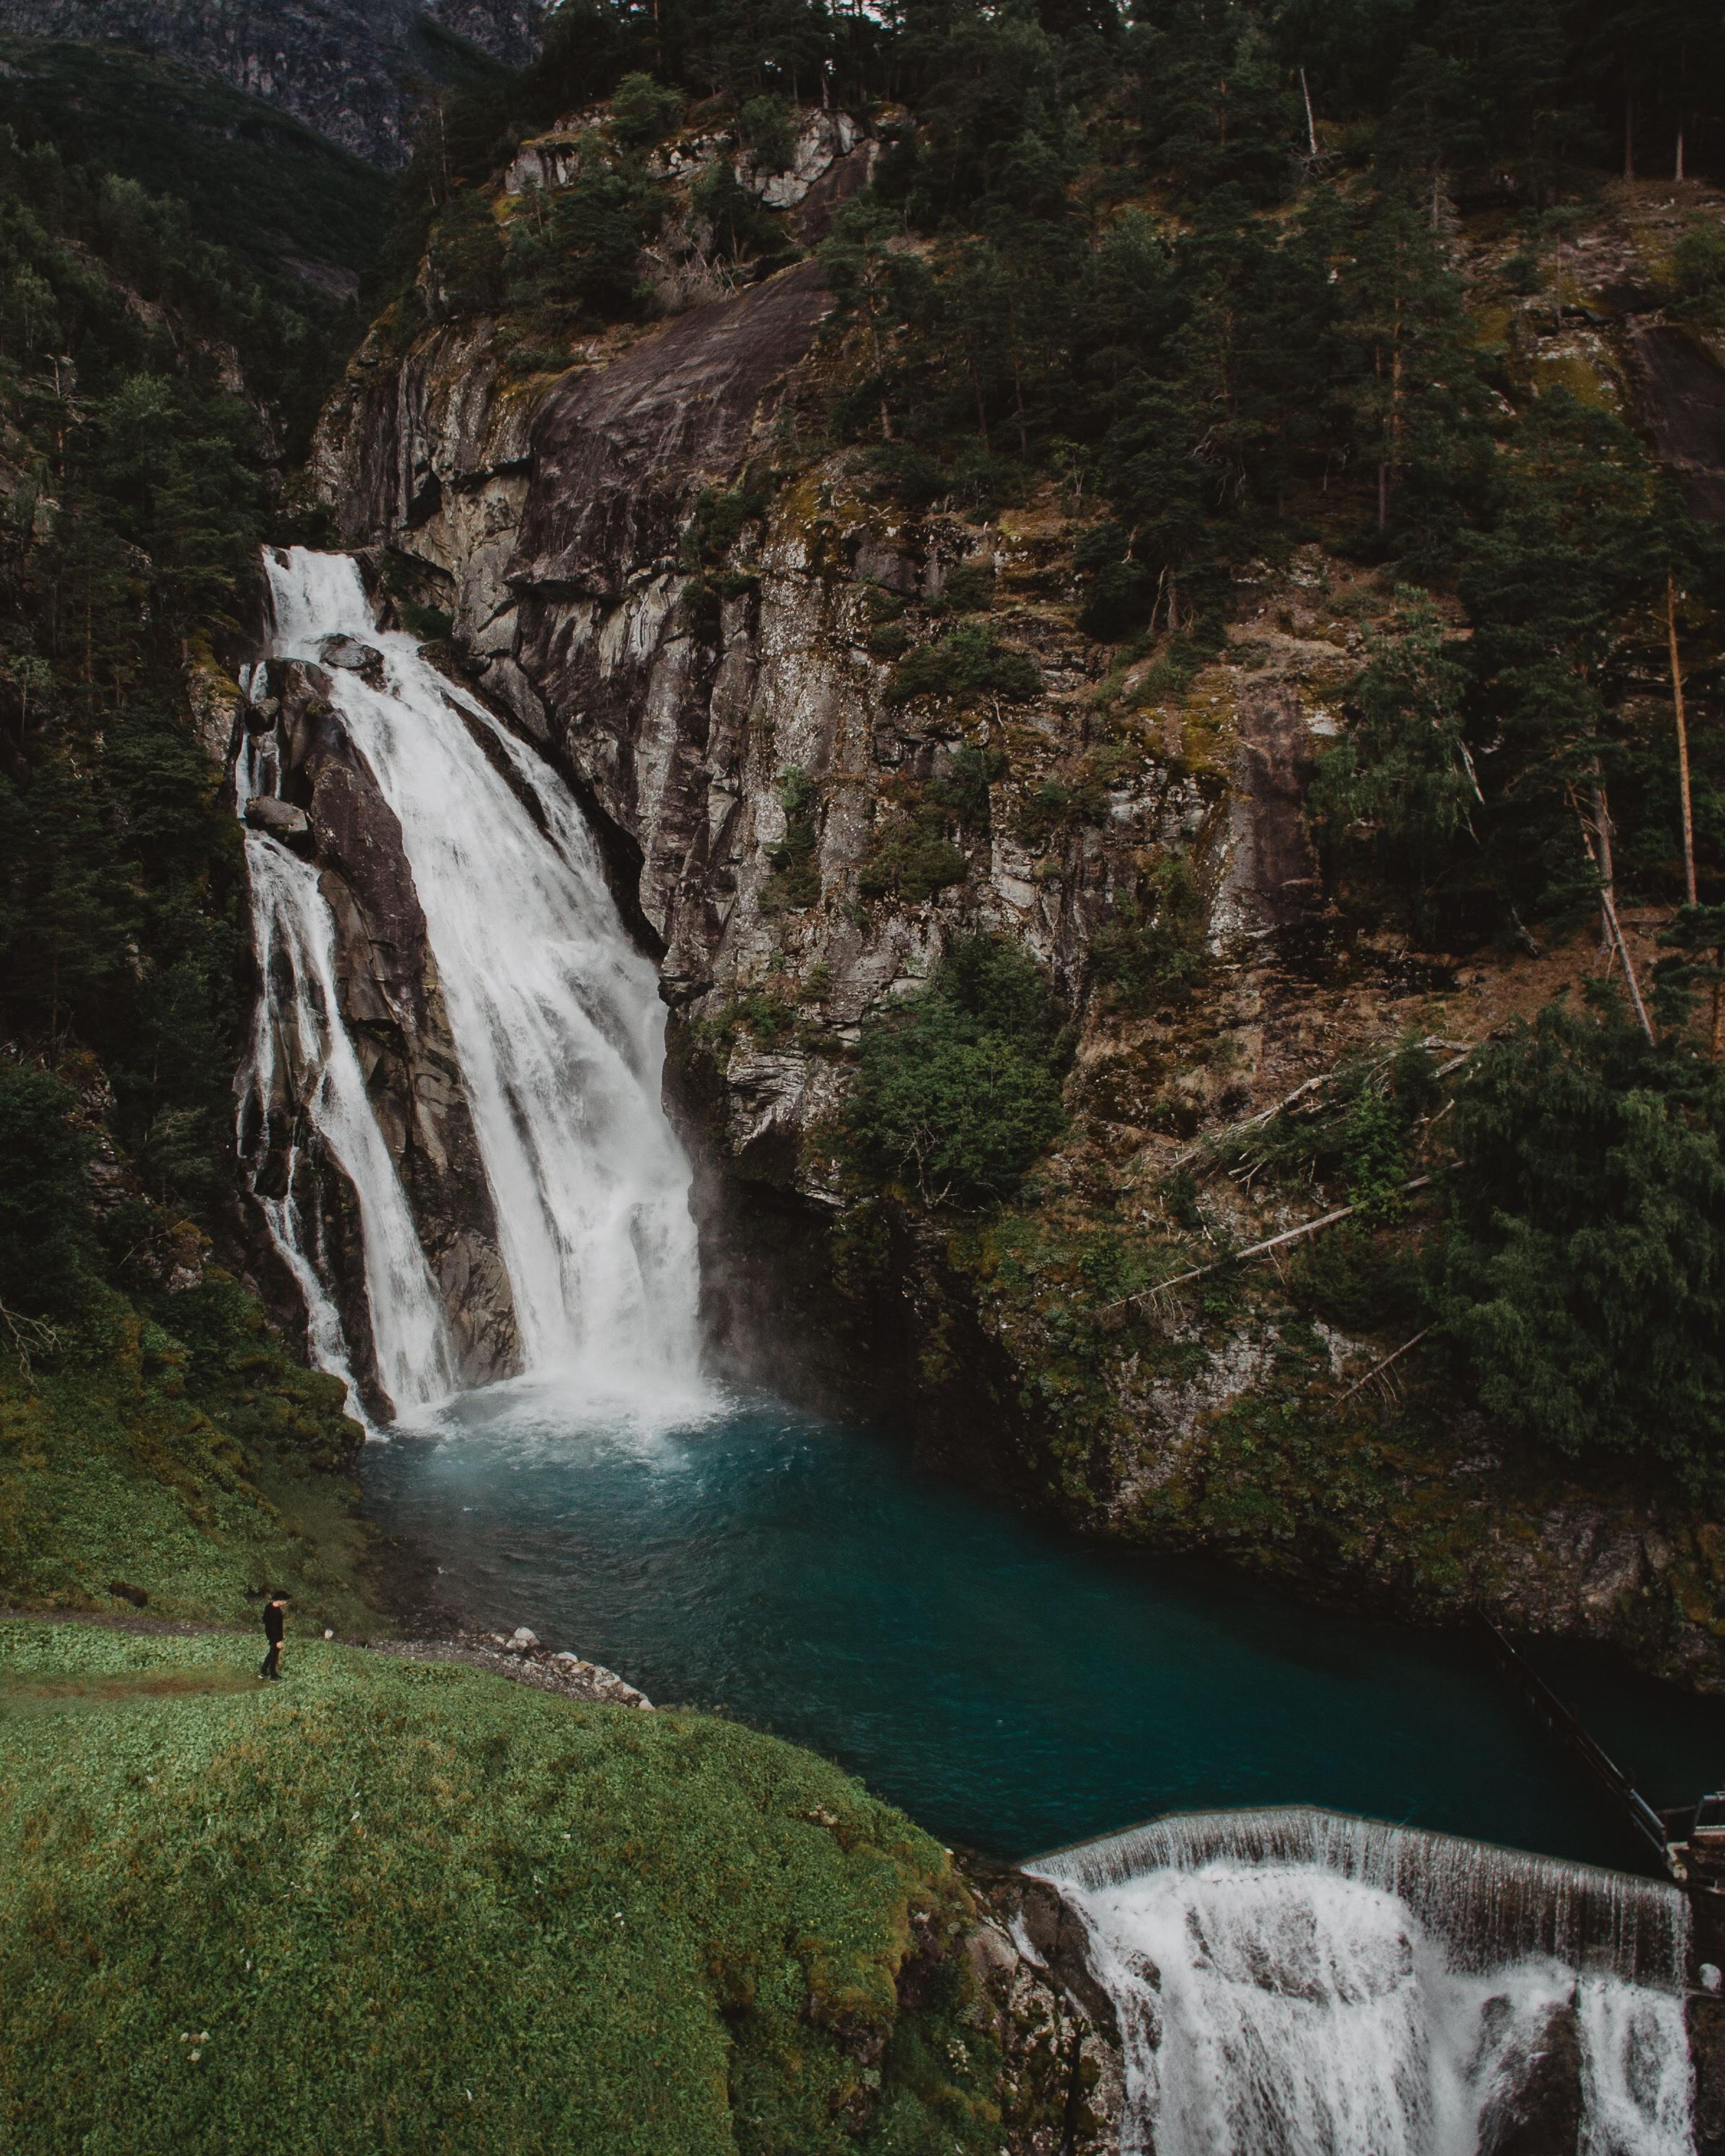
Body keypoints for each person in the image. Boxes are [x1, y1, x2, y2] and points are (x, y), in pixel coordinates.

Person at [259, 1594, 288, 1681]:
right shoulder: (277, 1612)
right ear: (280, 1600)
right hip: (275, 1637)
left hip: (270, 1635)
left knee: (272, 1653)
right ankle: (273, 1675)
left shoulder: (269, 1606)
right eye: (284, 1601)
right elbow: (277, 1628)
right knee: (274, 1656)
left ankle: (263, 1672)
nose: (285, 1603)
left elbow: (264, 1619)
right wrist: (279, 1641)